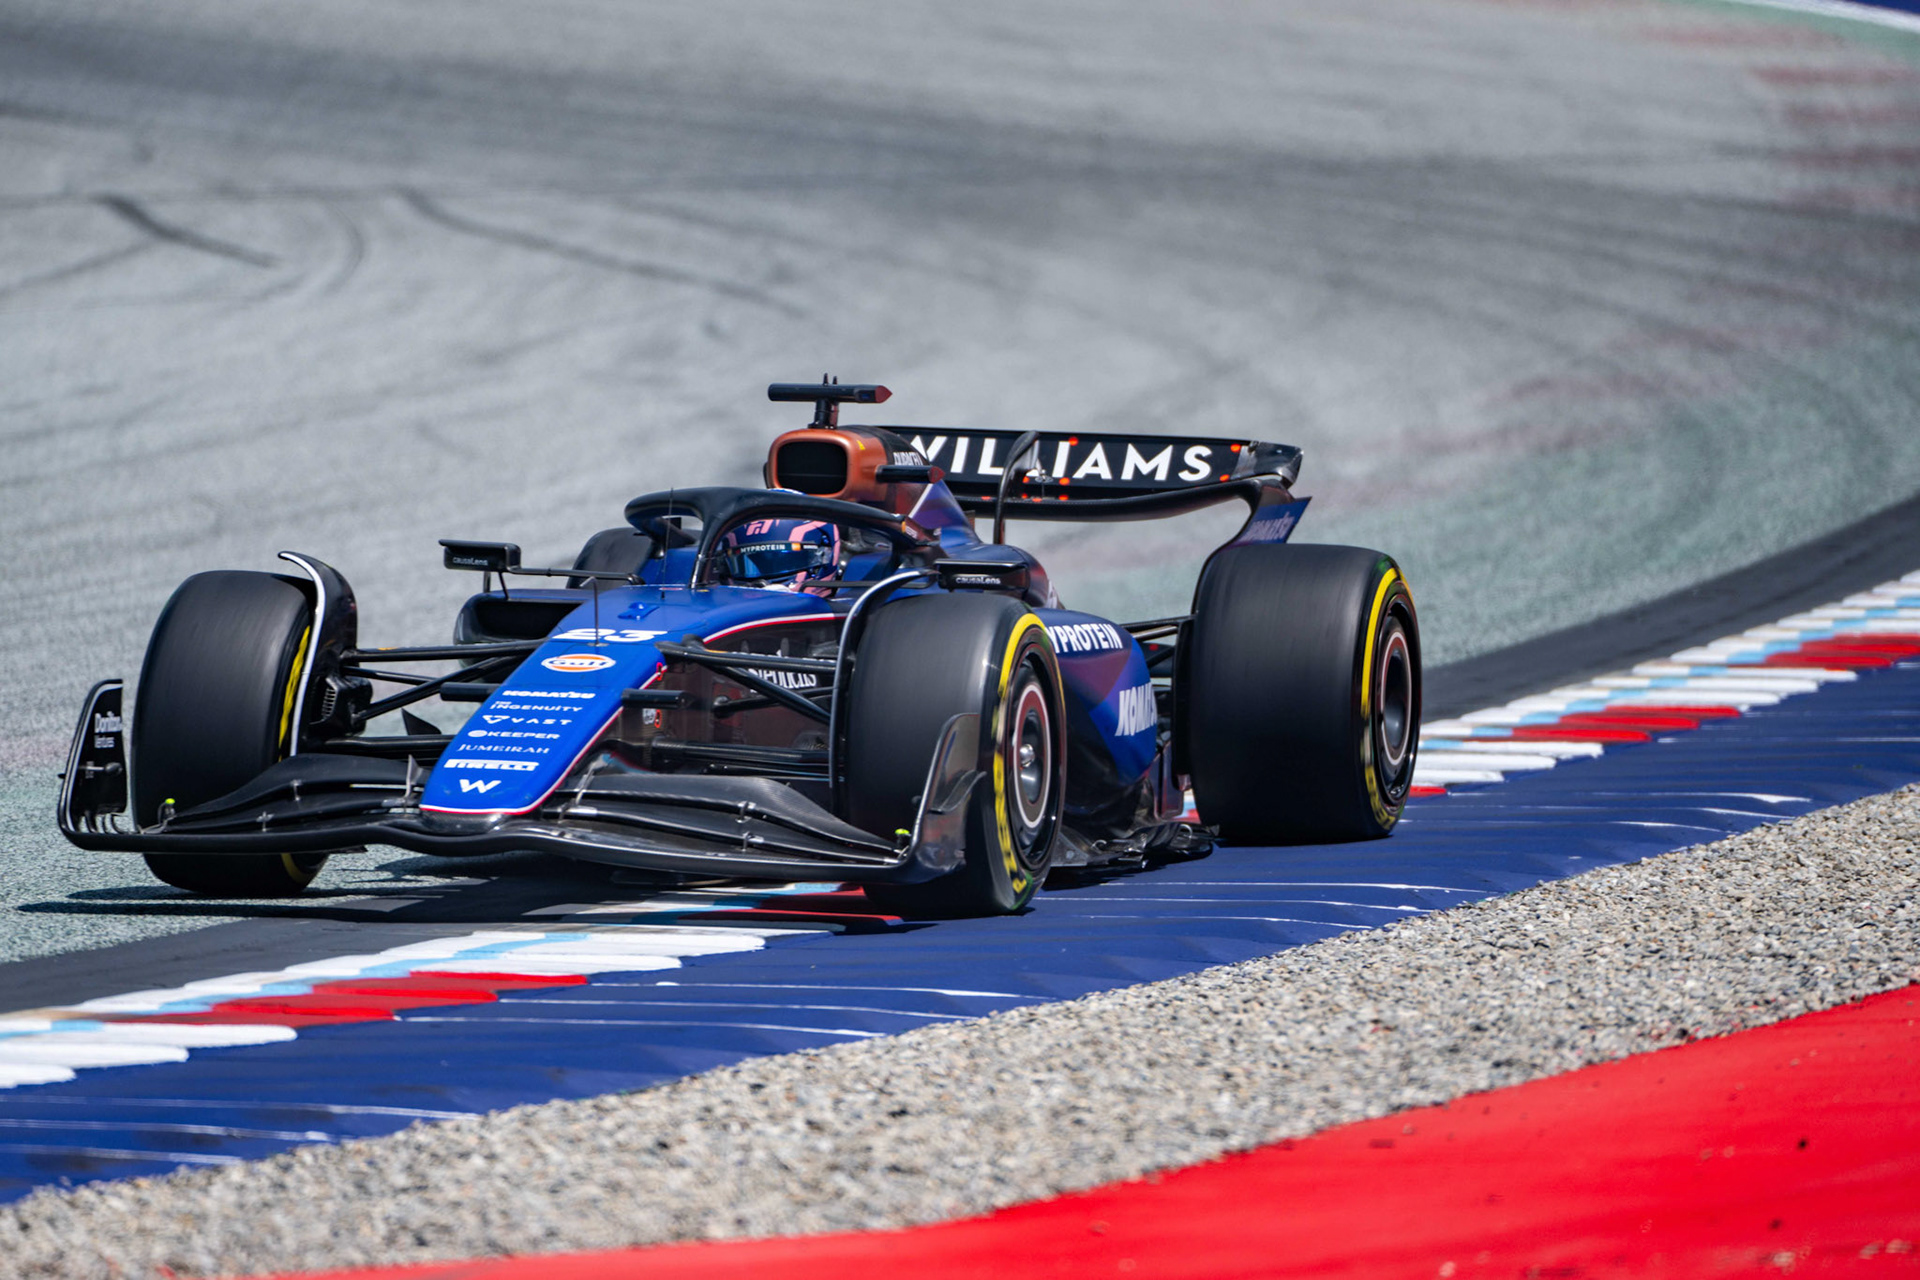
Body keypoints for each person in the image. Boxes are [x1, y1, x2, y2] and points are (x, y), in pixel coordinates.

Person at [714, 518, 841, 593]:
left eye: (784, 561)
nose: (764, 584)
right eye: (753, 564)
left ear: (825, 556)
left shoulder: (855, 613)